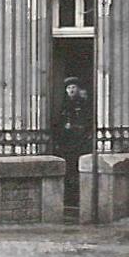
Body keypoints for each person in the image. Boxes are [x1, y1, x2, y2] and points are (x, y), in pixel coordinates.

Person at [51, 77, 93, 207]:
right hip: (67, 142)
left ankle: (77, 198)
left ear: (78, 89)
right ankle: (69, 198)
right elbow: (58, 123)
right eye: (68, 88)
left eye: (73, 87)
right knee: (68, 169)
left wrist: (77, 129)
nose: (71, 90)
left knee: (77, 169)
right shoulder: (63, 105)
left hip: (80, 142)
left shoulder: (83, 104)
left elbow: (88, 122)